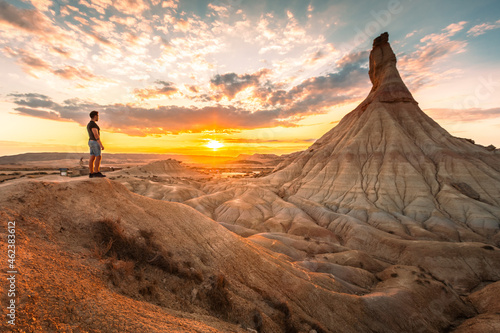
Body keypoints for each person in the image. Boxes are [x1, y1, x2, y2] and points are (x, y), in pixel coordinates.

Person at [87, 110, 106, 178]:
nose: (98, 117)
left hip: (90, 142)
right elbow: (96, 134)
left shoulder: (89, 124)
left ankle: (91, 173)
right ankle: (96, 172)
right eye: (98, 116)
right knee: (98, 157)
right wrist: (100, 144)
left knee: (92, 157)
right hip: (95, 142)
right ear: (95, 116)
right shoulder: (93, 124)